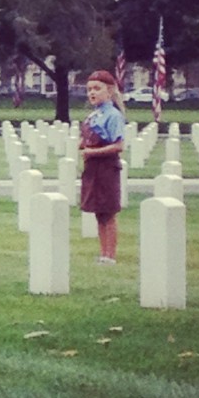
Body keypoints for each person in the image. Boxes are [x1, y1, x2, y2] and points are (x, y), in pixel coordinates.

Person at [79, 69, 126, 264]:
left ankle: (110, 255)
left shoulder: (113, 115)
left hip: (106, 167)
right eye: (89, 89)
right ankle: (103, 253)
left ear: (109, 91)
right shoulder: (94, 115)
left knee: (108, 212)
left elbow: (118, 145)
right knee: (99, 212)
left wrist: (92, 152)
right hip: (92, 168)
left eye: (97, 89)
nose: (92, 93)